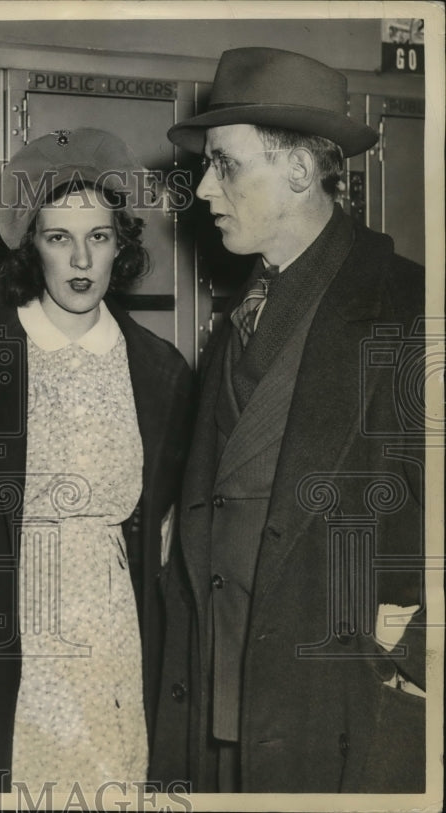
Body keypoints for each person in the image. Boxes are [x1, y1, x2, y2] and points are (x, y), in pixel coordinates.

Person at [150, 47, 426, 793]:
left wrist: (402, 655)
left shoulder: (408, 309)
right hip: (221, 685)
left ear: (300, 171)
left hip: (335, 703)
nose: (204, 188)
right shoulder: (242, 312)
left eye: (226, 165)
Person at [0, 128, 192, 792]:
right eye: (60, 237)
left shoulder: (160, 371)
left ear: (121, 244)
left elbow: (162, 537)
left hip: (113, 644)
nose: (82, 259)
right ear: (31, 244)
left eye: (99, 236)